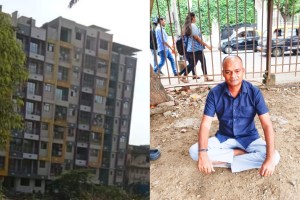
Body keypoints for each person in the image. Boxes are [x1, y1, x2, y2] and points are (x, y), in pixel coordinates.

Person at [189, 55, 280, 176]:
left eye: (237, 71)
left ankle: (225, 161)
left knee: (275, 157)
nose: (233, 76)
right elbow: (205, 125)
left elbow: (267, 125)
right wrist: (203, 153)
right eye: (228, 72)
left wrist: (269, 159)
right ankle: (237, 154)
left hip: (249, 138)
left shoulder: (254, 92)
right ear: (223, 73)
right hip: (224, 138)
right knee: (195, 152)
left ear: (243, 71)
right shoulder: (214, 93)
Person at [179, 12, 212, 83]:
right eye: (195, 17)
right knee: (198, 63)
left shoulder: (187, 26)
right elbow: (196, 37)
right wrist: (206, 45)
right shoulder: (193, 26)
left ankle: (183, 76)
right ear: (193, 18)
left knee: (196, 63)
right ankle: (183, 76)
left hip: (191, 49)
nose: (195, 18)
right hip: (196, 48)